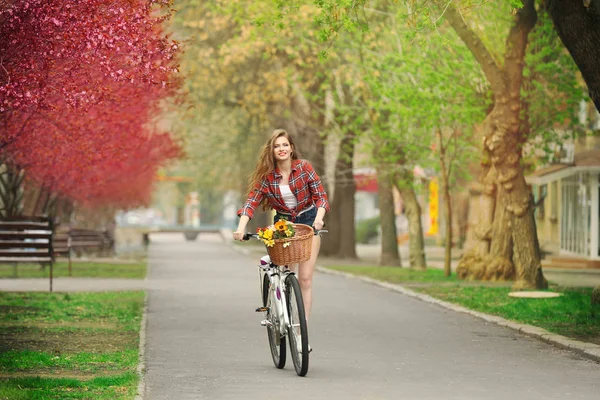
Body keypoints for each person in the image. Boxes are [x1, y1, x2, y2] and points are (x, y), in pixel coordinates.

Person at [233, 128, 330, 328]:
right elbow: (251, 203)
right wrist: (241, 227)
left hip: (310, 221)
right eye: (277, 146)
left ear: (292, 148)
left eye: (285, 145)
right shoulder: (267, 177)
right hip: (284, 225)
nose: (281, 149)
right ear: (271, 151)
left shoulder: (304, 168)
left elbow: (321, 197)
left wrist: (319, 218)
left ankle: (302, 331)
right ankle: (280, 314)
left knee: (305, 279)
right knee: (286, 272)